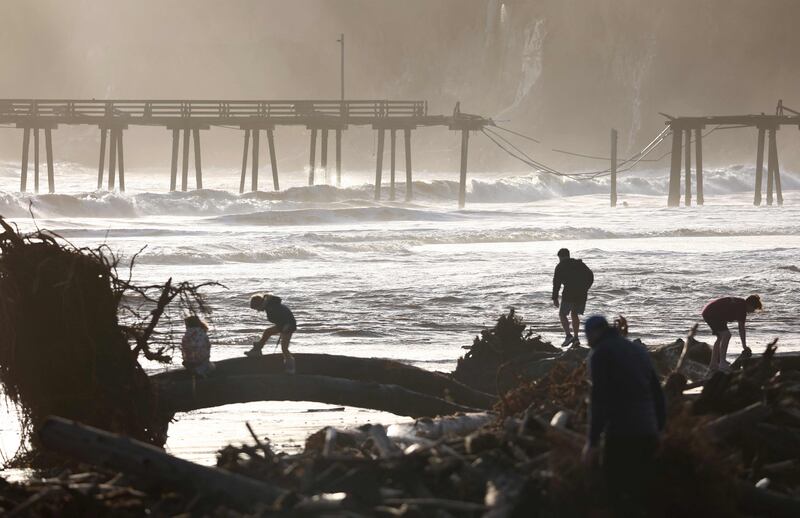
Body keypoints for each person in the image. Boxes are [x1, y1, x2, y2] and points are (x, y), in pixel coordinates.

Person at [582, 315, 665, 516]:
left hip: (621, 433)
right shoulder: (638, 350)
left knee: (616, 495)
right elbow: (657, 393)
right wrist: (660, 428)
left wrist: (592, 442)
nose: (587, 341)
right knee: (643, 494)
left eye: (587, 336)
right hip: (648, 431)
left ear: (594, 332)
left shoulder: (600, 353)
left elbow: (600, 399)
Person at [702, 294, 762, 372]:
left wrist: (744, 345)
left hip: (711, 312)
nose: (753, 311)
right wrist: (744, 345)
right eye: (754, 308)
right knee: (726, 335)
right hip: (712, 313)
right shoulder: (742, 308)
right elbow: (741, 329)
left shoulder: (741, 303)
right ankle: (722, 362)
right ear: (750, 305)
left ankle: (713, 363)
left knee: (720, 337)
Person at [246, 293, 297, 374]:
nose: (257, 310)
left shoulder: (272, 307)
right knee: (267, 332)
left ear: (259, 304)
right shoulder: (269, 306)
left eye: (257, 308)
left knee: (284, 348)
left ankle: (290, 367)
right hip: (282, 324)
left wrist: (286, 327)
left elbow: (286, 315)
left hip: (288, 325)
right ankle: (257, 350)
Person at [552, 248, 594, 346]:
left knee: (562, 314)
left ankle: (568, 336)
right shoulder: (580, 264)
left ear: (561, 257)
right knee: (574, 314)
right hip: (581, 293)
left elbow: (556, 283)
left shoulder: (560, 266)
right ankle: (576, 338)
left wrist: (555, 297)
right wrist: (585, 288)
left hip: (569, 293)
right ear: (568, 255)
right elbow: (590, 276)